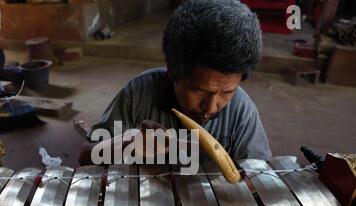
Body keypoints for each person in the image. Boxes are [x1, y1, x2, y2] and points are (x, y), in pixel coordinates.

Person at [79, 0, 272, 165]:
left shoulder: (241, 110)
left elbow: (259, 174)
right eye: (198, 90)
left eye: (226, 93)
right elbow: (86, 156)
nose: (210, 108)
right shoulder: (138, 93)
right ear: (172, 71)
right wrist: (125, 144)